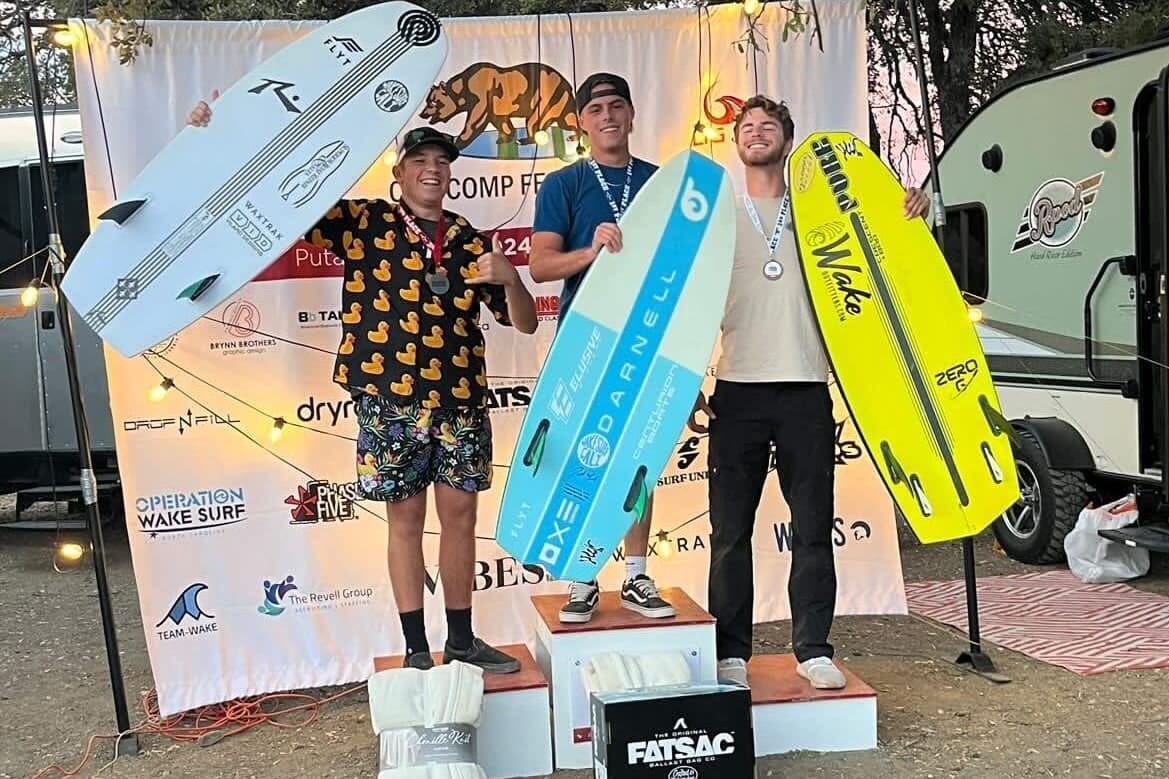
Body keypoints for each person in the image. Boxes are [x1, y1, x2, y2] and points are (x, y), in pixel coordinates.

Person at [186, 94, 539, 674]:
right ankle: (416, 650)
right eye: (420, 161)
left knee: (461, 520)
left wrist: (511, 278)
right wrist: (222, 132)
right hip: (389, 398)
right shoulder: (365, 221)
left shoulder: (471, 237)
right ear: (399, 174)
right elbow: (281, 199)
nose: (432, 170)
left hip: (460, 402)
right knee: (404, 522)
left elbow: (521, 322)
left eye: (442, 161)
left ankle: (461, 639)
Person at [688, 94, 928, 689]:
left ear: (787, 141)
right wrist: (689, 381)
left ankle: (813, 647)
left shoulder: (823, 213)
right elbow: (688, 305)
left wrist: (907, 212)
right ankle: (730, 653)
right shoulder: (718, 215)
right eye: (747, 126)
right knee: (729, 535)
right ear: (735, 143)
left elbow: (882, 250)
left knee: (814, 526)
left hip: (805, 389)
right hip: (737, 390)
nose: (757, 133)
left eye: (769, 125)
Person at [527, 72, 675, 624]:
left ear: (632, 115)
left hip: (649, 341)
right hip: (585, 342)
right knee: (583, 457)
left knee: (640, 457)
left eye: (617, 106)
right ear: (582, 123)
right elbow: (541, 266)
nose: (607, 116)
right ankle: (582, 577)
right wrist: (588, 253)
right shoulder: (564, 184)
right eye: (596, 109)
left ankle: (637, 575)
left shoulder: (662, 184)